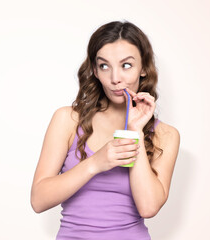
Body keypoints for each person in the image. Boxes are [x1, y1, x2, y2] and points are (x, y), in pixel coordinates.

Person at [30, 20, 180, 240]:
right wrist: (95, 163)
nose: (115, 78)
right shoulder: (68, 119)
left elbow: (149, 208)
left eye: (126, 65)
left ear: (144, 69)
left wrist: (135, 131)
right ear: (95, 70)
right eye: (104, 66)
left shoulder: (165, 135)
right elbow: (38, 200)